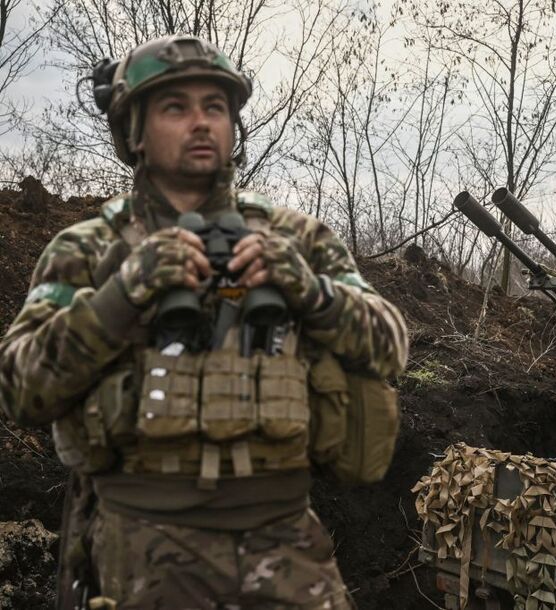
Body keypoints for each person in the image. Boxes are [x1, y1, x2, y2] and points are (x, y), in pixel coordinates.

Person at [0, 35, 408, 609]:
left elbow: (391, 346)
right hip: (142, 544)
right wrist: (124, 294)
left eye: (215, 107)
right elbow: (19, 388)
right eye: (176, 107)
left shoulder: (297, 239)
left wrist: (309, 291)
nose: (200, 122)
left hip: (285, 541)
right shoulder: (90, 248)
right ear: (134, 130)